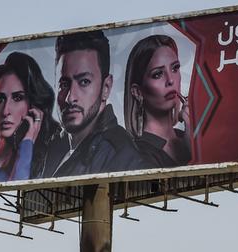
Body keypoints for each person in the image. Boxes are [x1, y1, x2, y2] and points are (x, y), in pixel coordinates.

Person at [43, 31, 149, 179]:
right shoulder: (54, 146)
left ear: (106, 88)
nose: (70, 97)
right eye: (64, 84)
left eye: (84, 82)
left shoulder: (122, 157)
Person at [0, 52, 60, 183]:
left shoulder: (45, 167)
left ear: (33, 107)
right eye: (1, 98)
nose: (5, 110)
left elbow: (19, 184)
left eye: (17, 98)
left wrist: (27, 142)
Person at [124, 35, 192, 168]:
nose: (170, 80)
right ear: (137, 92)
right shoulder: (137, 154)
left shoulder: (188, 136)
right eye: (157, 74)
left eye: (175, 68)